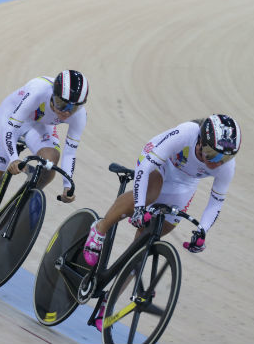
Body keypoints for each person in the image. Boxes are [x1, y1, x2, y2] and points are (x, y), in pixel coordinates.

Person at [83, 114, 241, 331]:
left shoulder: (226, 165)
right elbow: (145, 168)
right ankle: (99, 229)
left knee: (144, 244)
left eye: (223, 158)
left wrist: (202, 231)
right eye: (212, 154)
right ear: (201, 141)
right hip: (158, 162)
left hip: (185, 183)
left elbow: (216, 202)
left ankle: (108, 301)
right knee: (151, 192)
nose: (216, 163)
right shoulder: (186, 133)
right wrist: (139, 208)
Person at [0, 70, 89, 251]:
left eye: (72, 108)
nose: (65, 112)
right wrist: (13, 158)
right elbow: (10, 129)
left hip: (39, 125)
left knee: (50, 163)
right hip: (10, 119)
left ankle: (17, 207)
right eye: (61, 104)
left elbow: (70, 152)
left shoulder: (80, 115)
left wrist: (68, 185)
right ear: (53, 94)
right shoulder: (38, 90)